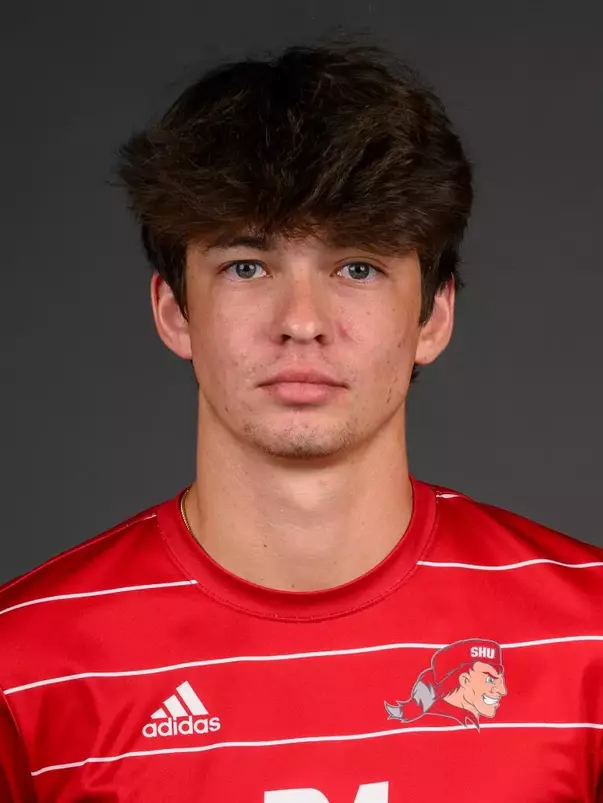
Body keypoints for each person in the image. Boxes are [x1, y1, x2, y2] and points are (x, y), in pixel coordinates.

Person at [0, 40, 601, 803]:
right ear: (174, 310)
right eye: (246, 266)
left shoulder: (587, 638)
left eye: (358, 266)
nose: (302, 321)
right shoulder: (23, 665)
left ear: (433, 315)